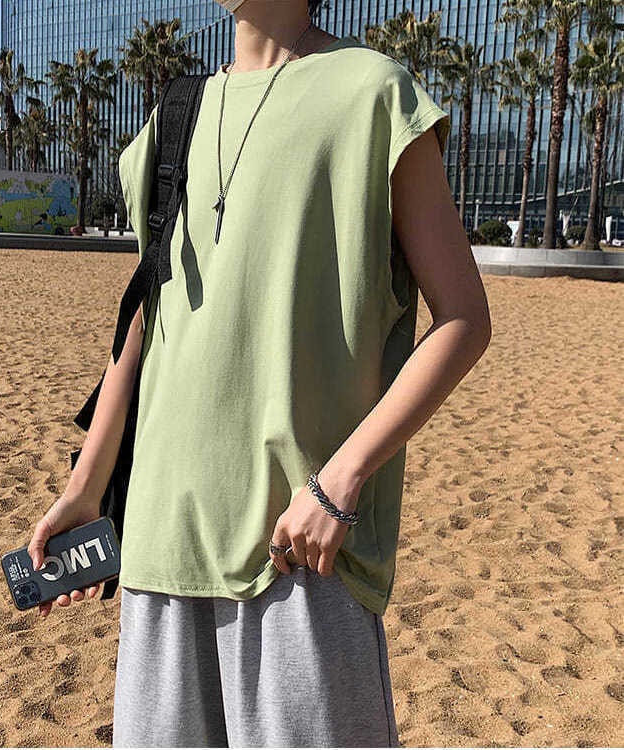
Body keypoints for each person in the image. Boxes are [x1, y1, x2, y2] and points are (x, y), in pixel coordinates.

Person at [27, 0, 492, 746]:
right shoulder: (176, 111)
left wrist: (341, 481)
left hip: (300, 546)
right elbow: (146, 317)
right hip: (160, 542)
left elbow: (464, 317)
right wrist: (86, 487)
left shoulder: (373, 94)